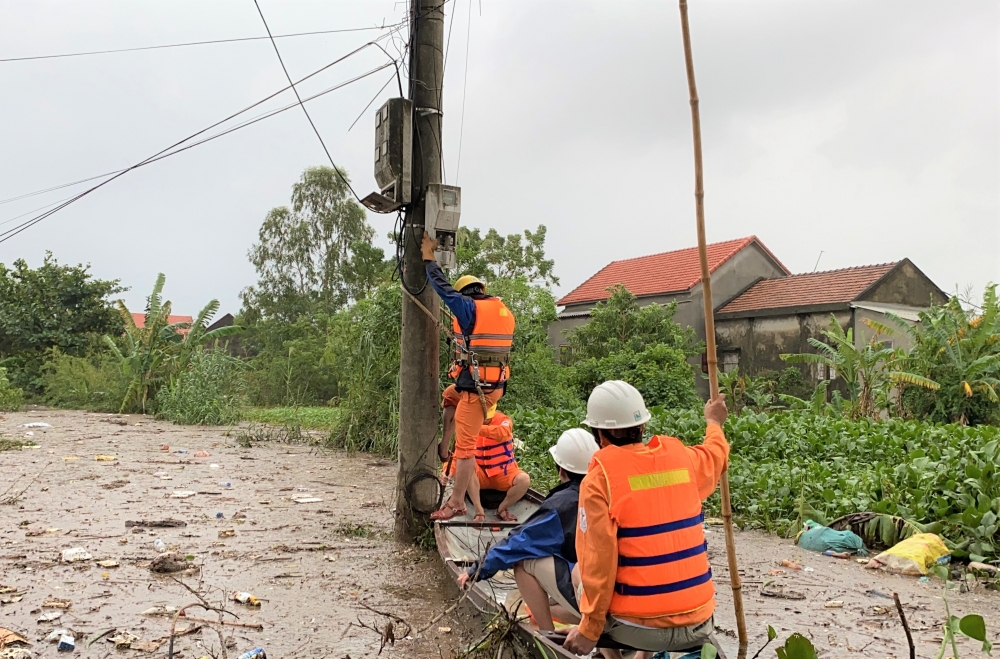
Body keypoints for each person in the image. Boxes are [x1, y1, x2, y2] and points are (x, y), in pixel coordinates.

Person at [562, 381, 729, 659]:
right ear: (642, 427)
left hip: (637, 630)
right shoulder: (682, 458)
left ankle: (612, 656)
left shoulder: (599, 479)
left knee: (580, 570)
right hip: (700, 622)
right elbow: (716, 455)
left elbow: (598, 562)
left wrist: (589, 631)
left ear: (599, 434)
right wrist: (714, 422)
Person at [456, 428, 599, 632]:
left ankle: (548, 637)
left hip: (592, 596)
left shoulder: (563, 505)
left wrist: (478, 569)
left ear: (561, 470)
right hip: (616, 594)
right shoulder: (608, 491)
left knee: (523, 561)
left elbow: (520, 543)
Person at [422, 232, 516, 522]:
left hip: (478, 391)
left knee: (465, 451)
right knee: (450, 395)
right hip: (492, 385)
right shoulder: (503, 310)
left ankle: (456, 503)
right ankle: (443, 444)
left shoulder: (469, 307)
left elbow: (444, 290)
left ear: (467, 294)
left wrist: (428, 258)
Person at [439, 402, 531, 522]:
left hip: (504, 472)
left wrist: (475, 428)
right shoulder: (468, 425)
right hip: (479, 475)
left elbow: (503, 433)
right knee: (467, 468)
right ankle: (479, 511)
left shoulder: (504, 420)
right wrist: (448, 471)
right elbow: (457, 455)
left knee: (524, 480)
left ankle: (502, 508)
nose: (484, 419)